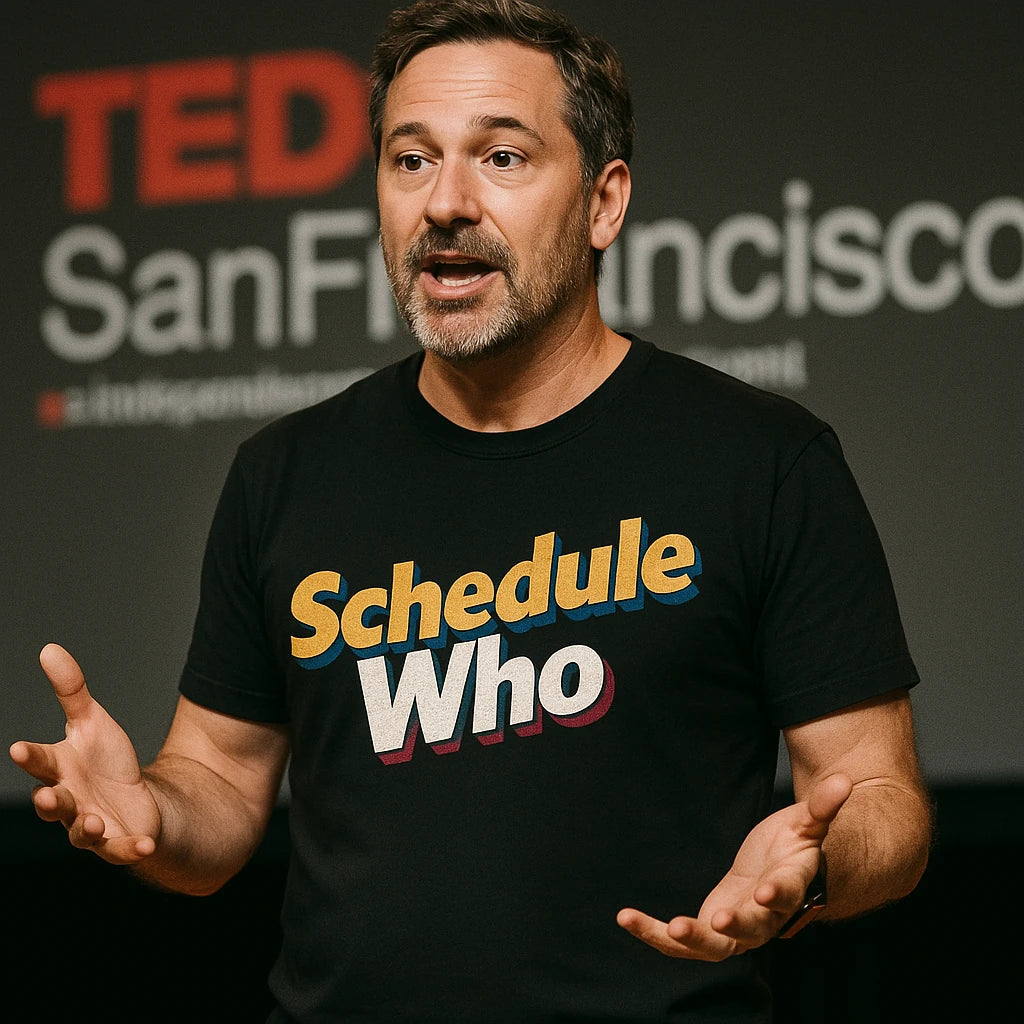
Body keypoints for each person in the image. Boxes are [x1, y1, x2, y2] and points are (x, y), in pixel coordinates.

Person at [10, 1, 931, 1020]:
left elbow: (882, 802)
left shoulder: (763, 461)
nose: (445, 202)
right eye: (411, 160)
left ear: (604, 202)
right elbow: (219, 787)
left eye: (501, 157)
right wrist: (149, 810)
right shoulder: (283, 474)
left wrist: (814, 864)